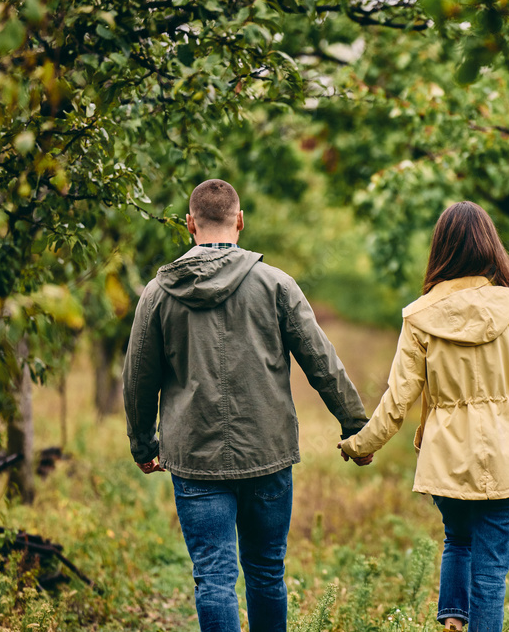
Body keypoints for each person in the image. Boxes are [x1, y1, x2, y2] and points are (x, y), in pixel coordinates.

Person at [123, 178, 372, 632]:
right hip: (268, 451)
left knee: (214, 578)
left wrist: (144, 444)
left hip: (194, 456)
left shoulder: (157, 295)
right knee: (265, 572)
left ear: (189, 224)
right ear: (239, 220)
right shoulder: (276, 284)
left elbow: (139, 377)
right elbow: (322, 361)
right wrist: (355, 425)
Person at [339, 201, 509, 632]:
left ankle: (454, 621)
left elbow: (397, 399)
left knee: (457, 539)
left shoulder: (420, 316)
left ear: (441, 249)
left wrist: (359, 445)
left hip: (448, 460)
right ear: (490, 247)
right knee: (490, 577)